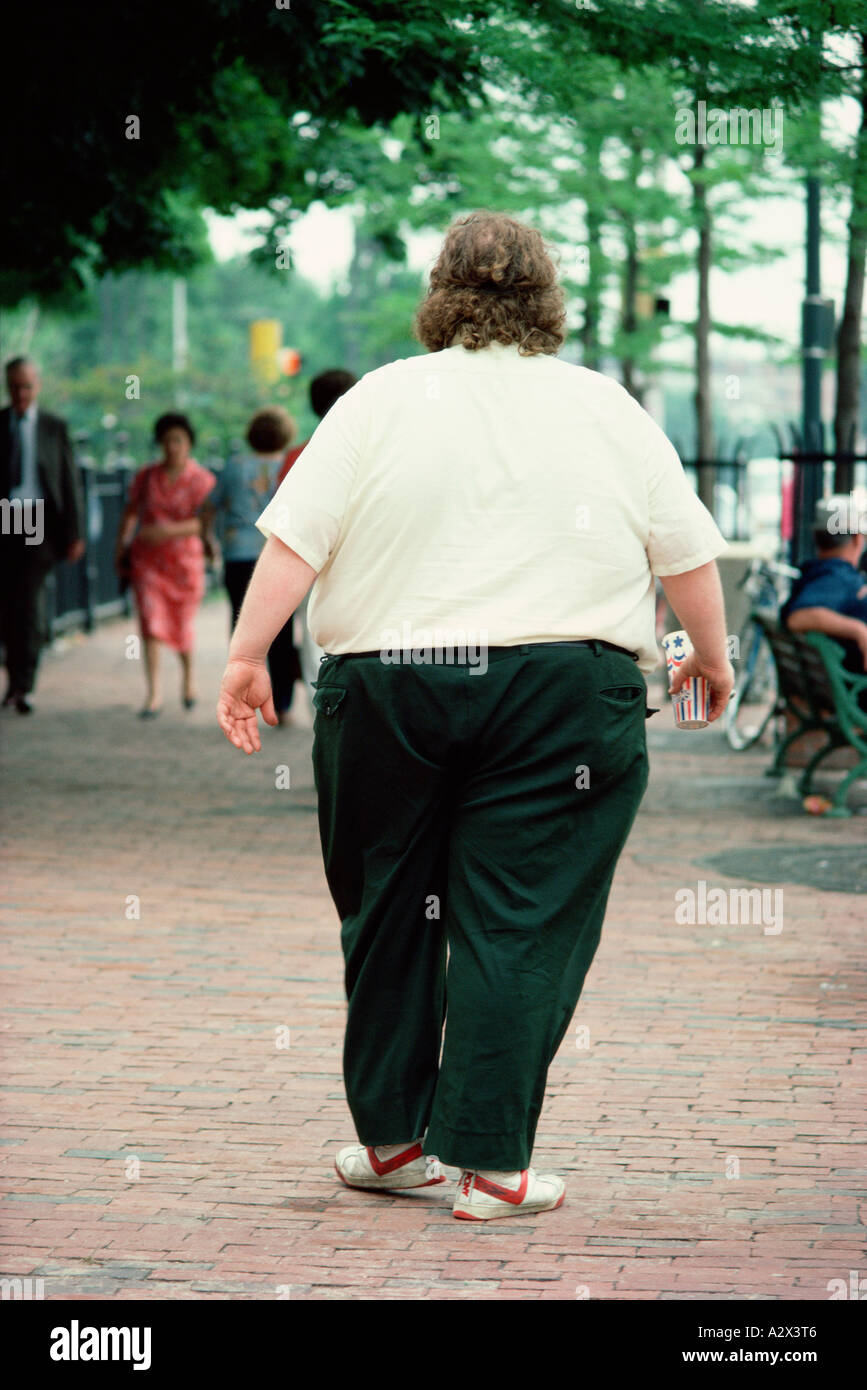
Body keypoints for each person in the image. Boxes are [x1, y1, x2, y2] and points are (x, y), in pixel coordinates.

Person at [216, 209, 733, 1222]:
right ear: (548, 297)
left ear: (439, 291)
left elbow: (296, 540)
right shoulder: (605, 407)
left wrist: (244, 656)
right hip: (562, 689)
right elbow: (685, 555)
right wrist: (707, 660)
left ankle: (395, 1140)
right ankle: (494, 1170)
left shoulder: (377, 401)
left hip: (387, 685)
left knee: (388, 907)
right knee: (520, 919)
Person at [114, 413, 216, 717]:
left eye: (178, 440)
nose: (172, 447)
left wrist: (168, 531)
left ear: (188, 444)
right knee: (150, 621)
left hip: (184, 563)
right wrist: (122, 543)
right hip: (148, 561)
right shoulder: (146, 476)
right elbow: (131, 511)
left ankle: (188, 681)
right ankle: (154, 693)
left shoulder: (203, 480)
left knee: (182, 623)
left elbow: (206, 523)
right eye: (167, 440)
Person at [0, 356, 86, 714]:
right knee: (7, 604)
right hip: (6, 517)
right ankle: (14, 678)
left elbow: (70, 481)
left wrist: (75, 532)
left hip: (39, 519)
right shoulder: (0, 423)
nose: (21, 393)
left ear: (37, 386)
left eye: (27, 386)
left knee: (30, 602)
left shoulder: (53, 426)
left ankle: (25, 685)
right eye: (15, 386)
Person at [211, 405, 306, 726]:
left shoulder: (234, 467)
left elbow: (210, 507)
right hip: (279, 558)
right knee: (281, 630)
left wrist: (210, 542)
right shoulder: (294, 465)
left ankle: (239, 699)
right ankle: (282, 704)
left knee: (241, 628)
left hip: (239, 554)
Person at [274, 370, 358, 691]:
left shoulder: (296, 456)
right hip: (358, 556)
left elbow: (286, 516)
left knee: (314, 638)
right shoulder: (371, 451)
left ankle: (321, 708)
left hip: (312, 556)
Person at [780, 495, 867, 702]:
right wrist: (859, 630)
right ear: (856, 538)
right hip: (854, 693)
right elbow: (799, 617)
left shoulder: (816, 574)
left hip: (832, 688)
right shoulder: (838, 576)